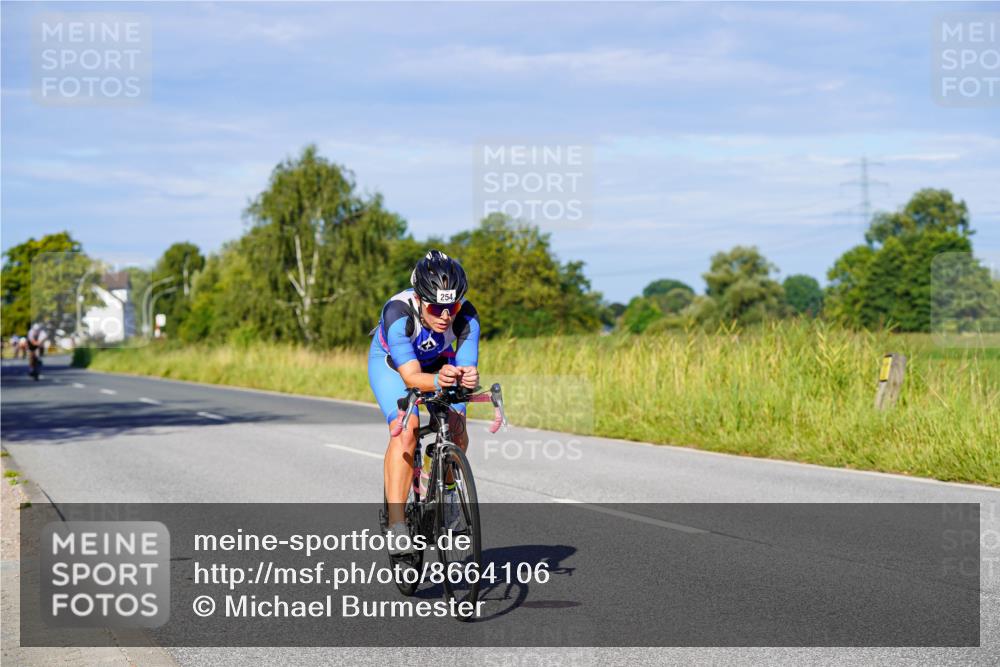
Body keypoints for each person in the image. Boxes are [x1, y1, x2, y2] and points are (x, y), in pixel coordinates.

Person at [368, 250, 481, 554]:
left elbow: (466, 367)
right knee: (407, 429)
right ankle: (397, 524)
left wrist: (467, 376)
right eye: (436, 308)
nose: (446, 316)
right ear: (419, 300)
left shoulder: (467, 317)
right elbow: (411, 378)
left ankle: (449, 496)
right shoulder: (398, 314)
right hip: (394, 367)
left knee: (457, 427)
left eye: (452, 307)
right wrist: (440, 380)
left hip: (439, 363)